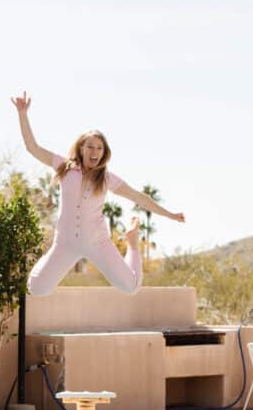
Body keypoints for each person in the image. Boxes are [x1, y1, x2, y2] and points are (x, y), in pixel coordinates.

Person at [11, 92, 185, 297]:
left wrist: (170, 215)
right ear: (81, 148)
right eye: (90, 147)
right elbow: (33, 148)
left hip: (97, 241)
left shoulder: (107, 179)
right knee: (37, 289)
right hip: (65, 242)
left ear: (104, 152)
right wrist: (23, 114)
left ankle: (132, 244)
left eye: (99, 148)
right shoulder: (64, 168)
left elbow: (139, 197)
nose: (94, 152)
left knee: (130, 287)